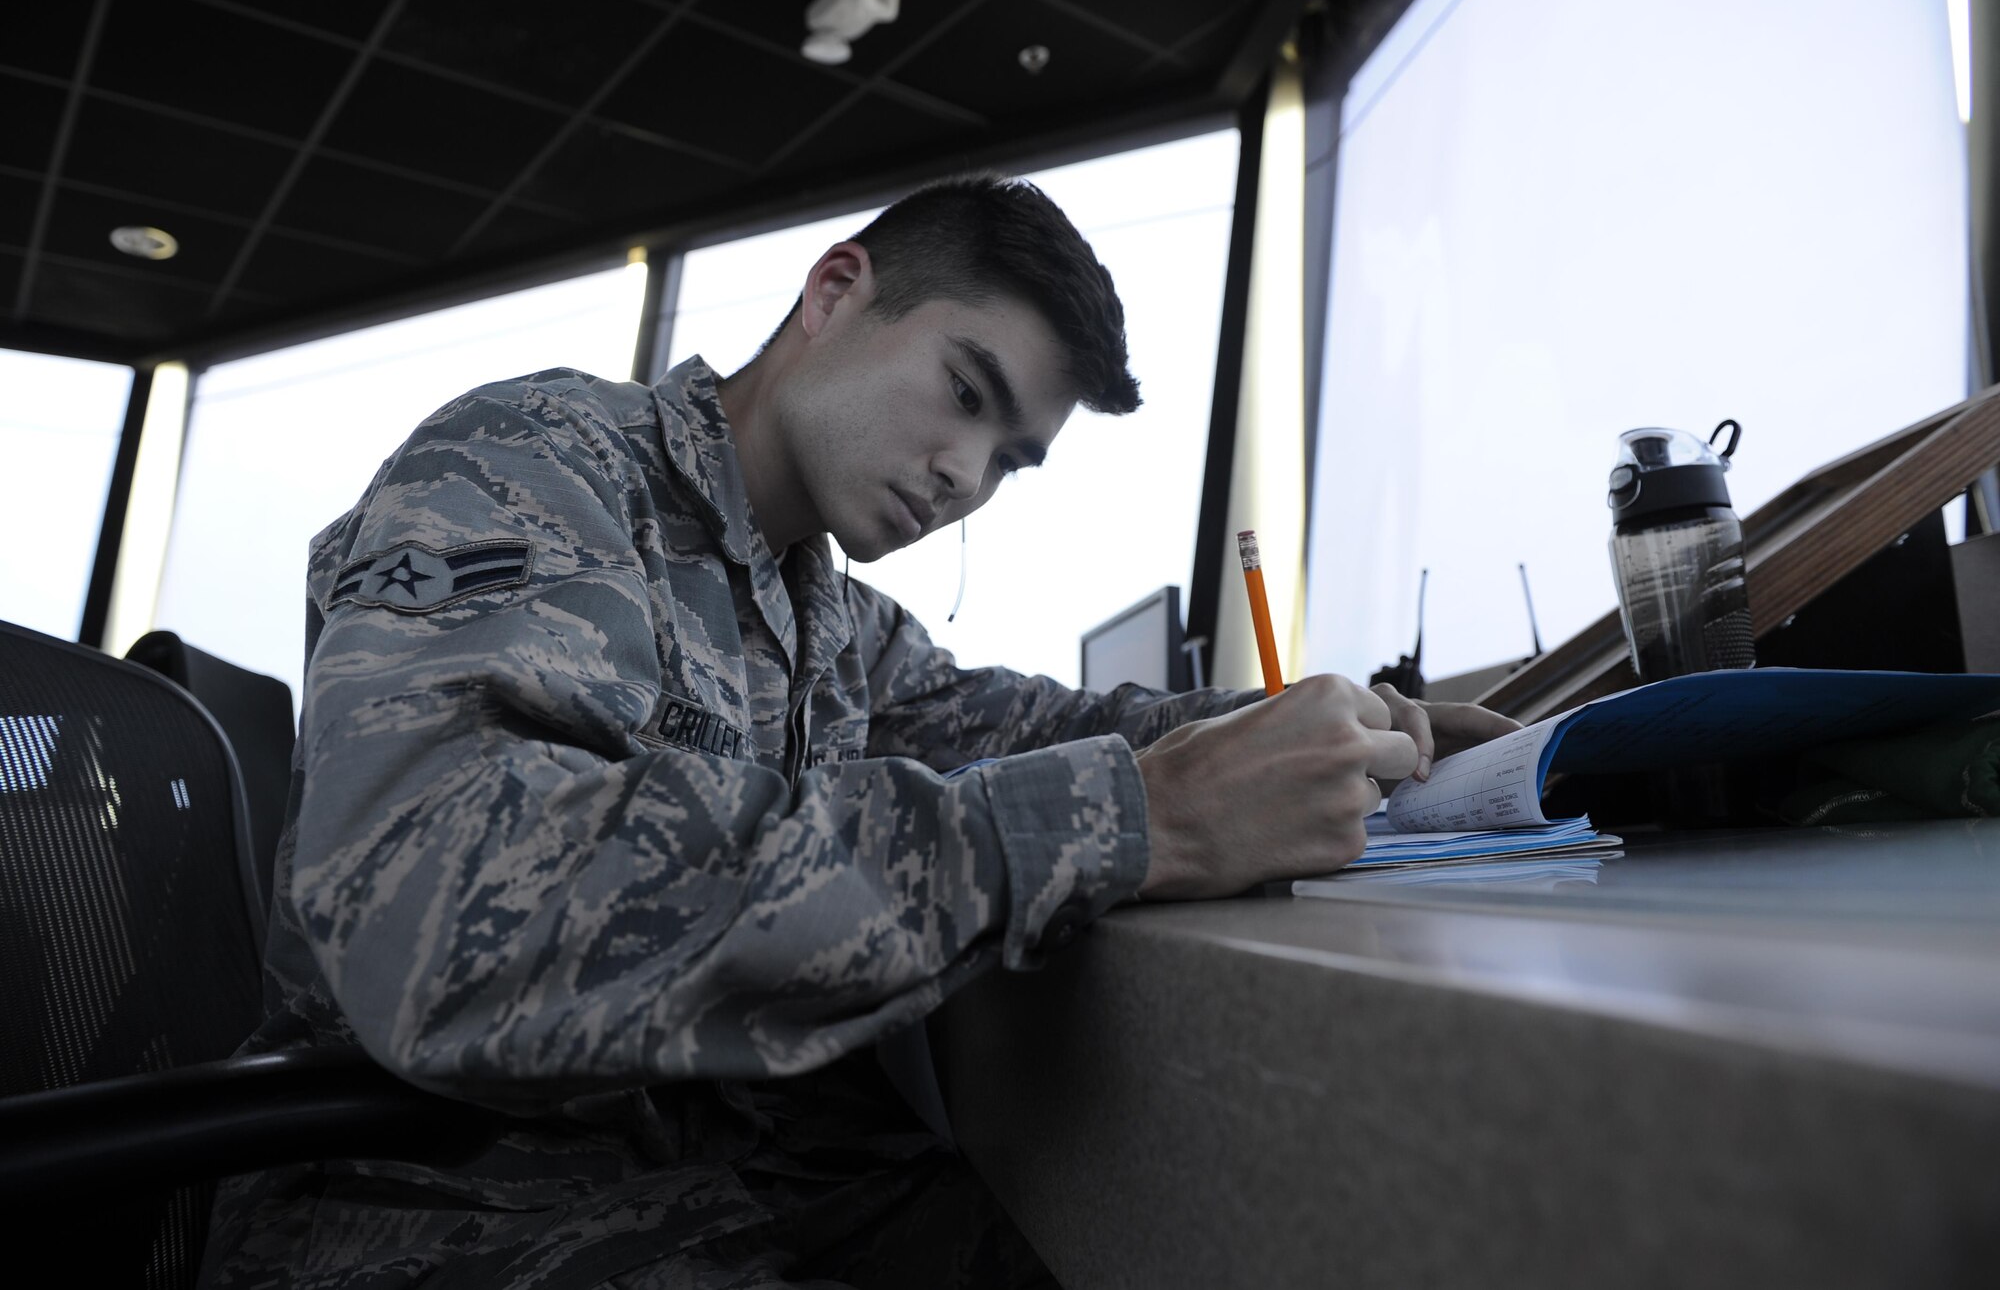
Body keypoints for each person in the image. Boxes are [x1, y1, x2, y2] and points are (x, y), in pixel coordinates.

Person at [199, 176, 1515, 1289]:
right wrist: (1142, 817)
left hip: (731, 1171)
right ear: (836, 292)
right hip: (454, 1212)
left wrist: (1302, 731)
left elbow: (1029, 723)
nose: (965, 475)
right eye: (965, 390)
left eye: (1008, 459)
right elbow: (448, 918)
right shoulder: (536, 463)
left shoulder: (824, 611)